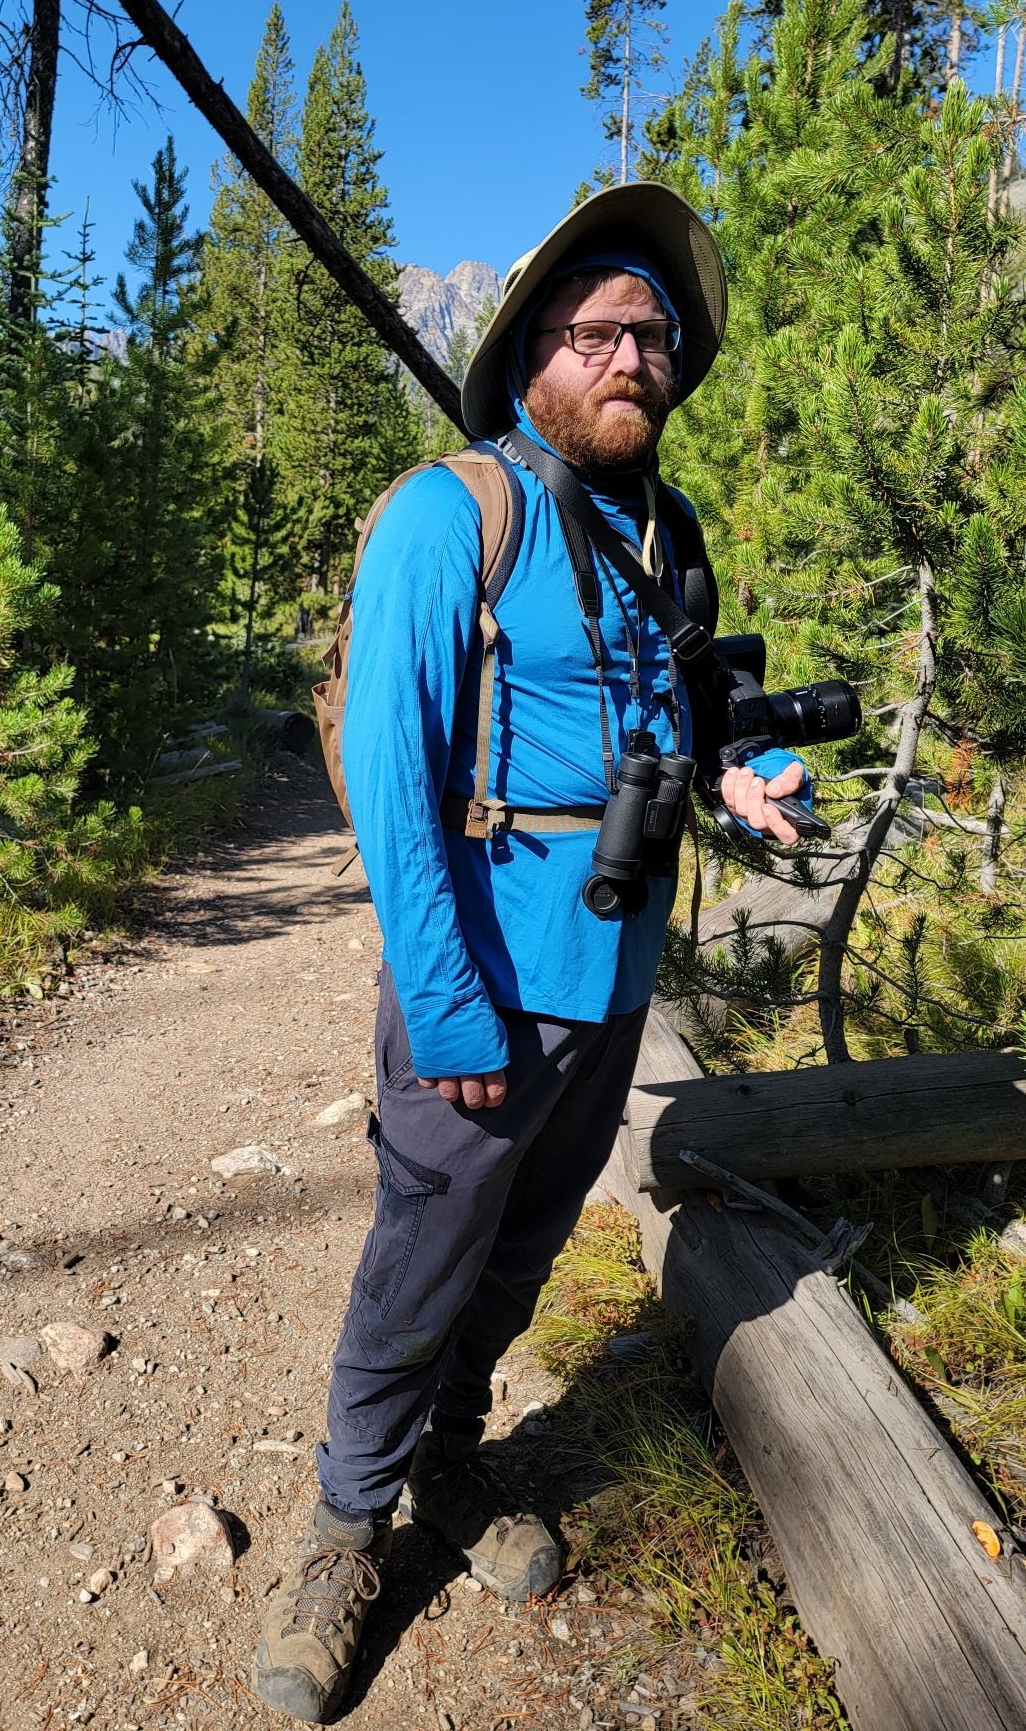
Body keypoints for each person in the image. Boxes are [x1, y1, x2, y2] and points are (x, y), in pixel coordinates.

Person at [252, 184, 810, 1724]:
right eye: (600, 331)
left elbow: (669, 718)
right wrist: (446, 1007)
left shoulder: (657, 530)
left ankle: (448, 1459)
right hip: (482, 986)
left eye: (656, 333)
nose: (636, 355)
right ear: (531, 357)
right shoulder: (452, 513)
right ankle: (342, 1534)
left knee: (518, 1257)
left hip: (614, 983)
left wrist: (738, 777)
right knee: (417, 1261)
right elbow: (390, 777)